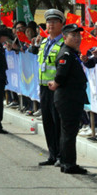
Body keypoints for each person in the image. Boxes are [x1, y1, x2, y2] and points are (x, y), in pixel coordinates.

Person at [48, 23, 89, 175]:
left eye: (78, 35)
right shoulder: (66, 53)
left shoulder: (72, 52)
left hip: (72, 97)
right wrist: (55, 83)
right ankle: (69, 163)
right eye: (73, 35)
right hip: (68, 98)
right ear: (64, 37)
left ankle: (65, 161)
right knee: (69, 132)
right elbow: (61, 74)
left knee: (68, 131)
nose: (77, 38)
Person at [28, 9, 65, 166]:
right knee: (48, 122)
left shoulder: (63, 43)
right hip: (44, 87)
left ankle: (61, 155)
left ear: (61, 25)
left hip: (57, 88)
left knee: (58, 123)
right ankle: (52, 154)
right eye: (48, 22)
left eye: (54, 22)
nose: (50, 25)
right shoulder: (43, 42)